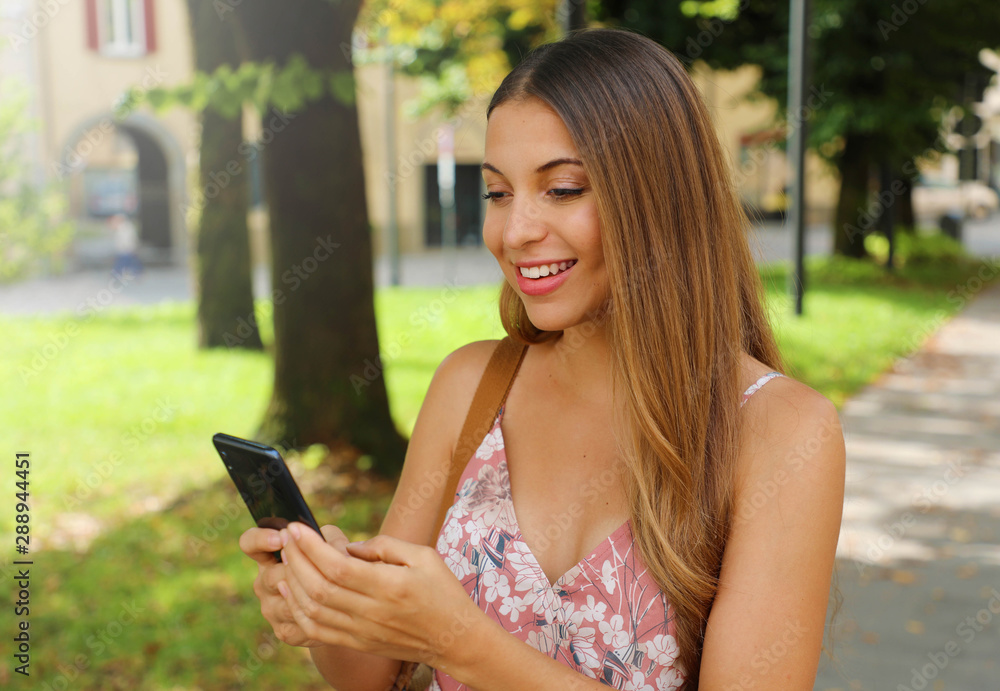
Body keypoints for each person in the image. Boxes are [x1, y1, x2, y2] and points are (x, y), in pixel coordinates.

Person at [239, 28, 846, 690]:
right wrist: (327, 601)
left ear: (659, 197)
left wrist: (463, 642)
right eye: (498, 192)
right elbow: (364, 673)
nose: (514, 230)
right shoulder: (470, 387)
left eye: (561, 189)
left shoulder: (782, 430)